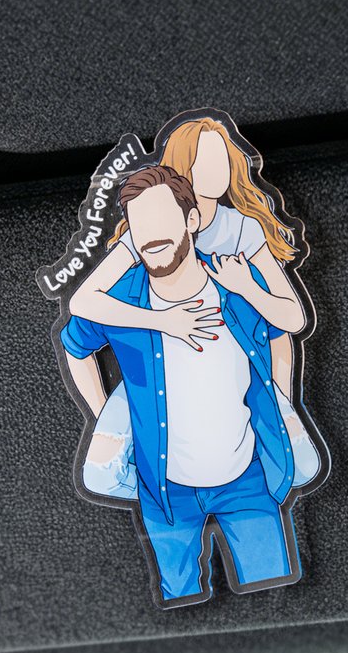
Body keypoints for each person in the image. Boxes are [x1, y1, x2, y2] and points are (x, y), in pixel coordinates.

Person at [61, 165, 303, 605]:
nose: (152, 235)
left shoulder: (234, 284)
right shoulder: (119, 300)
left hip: (247, 478)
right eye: (140, 224)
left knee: (277, 591)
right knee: (182, 602)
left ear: (192, 220)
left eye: (162, 218)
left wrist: (283, 400)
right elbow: (75, 346)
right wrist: (108, 421)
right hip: (164, 490)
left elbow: (283, 329)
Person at [70, 112, 317, 499]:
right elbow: (82, 303)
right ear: (183, 166)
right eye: (206, 160)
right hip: (158, 364)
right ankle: (177, 495)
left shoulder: (242, 229)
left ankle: (232, 485)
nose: (218, 169)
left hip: (234, 358)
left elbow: (290, 320)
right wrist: (162, 321)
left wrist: (280, 394)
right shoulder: (151, 229)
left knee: (302, 466)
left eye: (223, 159)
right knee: (99, 474)